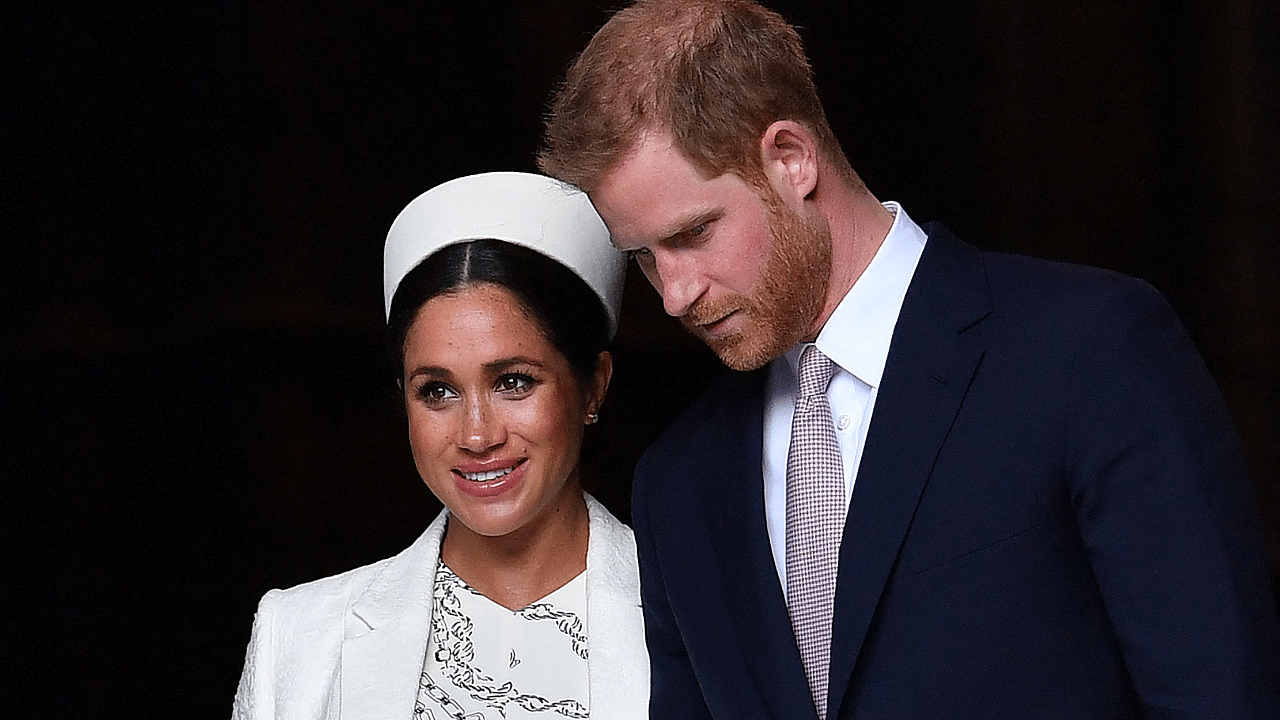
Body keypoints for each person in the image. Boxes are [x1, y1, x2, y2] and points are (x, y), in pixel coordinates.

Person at [537, 1, 1280, 718]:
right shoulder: (679, 482)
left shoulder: (1087, 352)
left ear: (790, 158)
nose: (672, 294)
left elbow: (1216, 696)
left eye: (694, 234)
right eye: (642, 257)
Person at [232, 172, 648, 720]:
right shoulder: (300, 638)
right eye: (438, 391)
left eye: (514, 381)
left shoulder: (697, 618)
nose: (478, 435)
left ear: (594, 383)